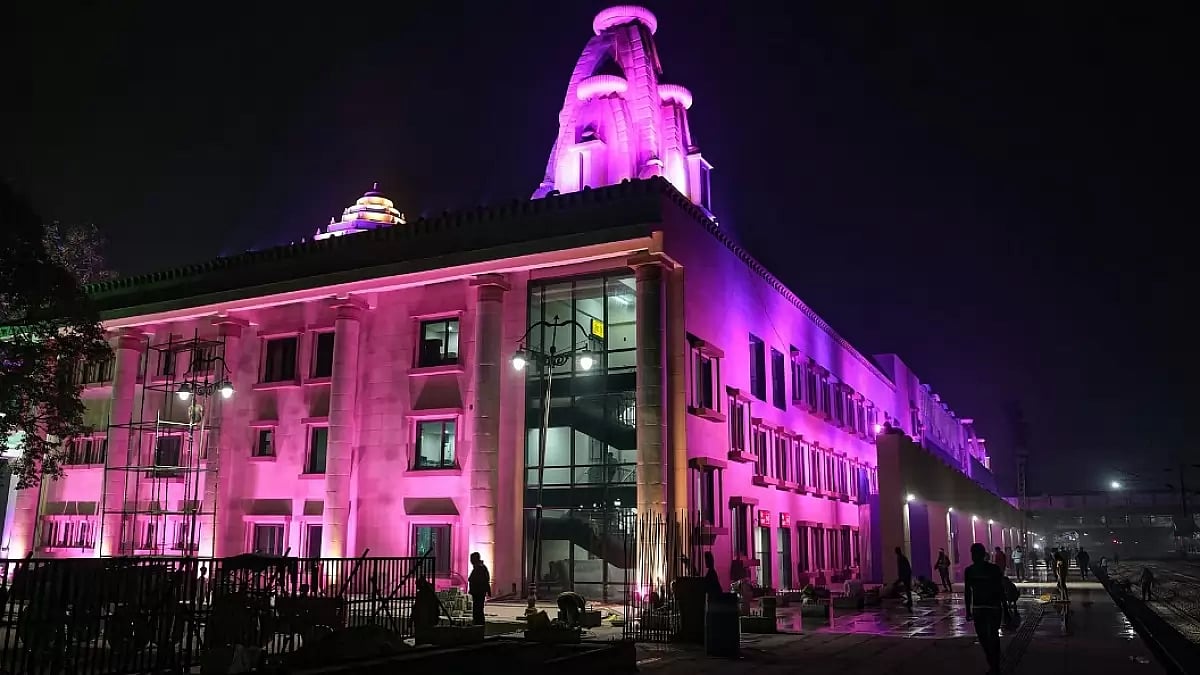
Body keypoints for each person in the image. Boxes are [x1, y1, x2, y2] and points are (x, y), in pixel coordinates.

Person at [965, 543, 1006, 675]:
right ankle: (994, 664)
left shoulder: (970, 571)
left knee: (985, 638)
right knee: (992, 637)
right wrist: (1006, 609)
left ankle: (993, 664)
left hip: (981, 608)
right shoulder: (993, 569)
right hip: (992, 608)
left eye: (974, 554)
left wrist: (968, 610)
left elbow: (967, 592)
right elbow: (1000, 590)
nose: (973, 556)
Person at [468, 551, 491, 626]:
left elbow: (482, 580)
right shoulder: (479, 567)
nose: (471, 561)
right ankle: (478, 625)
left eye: (472, 559)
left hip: (478, 593)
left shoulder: (480, 568)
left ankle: (479, 626)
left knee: (478, 611)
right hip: (477, 593)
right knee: (478, 610)